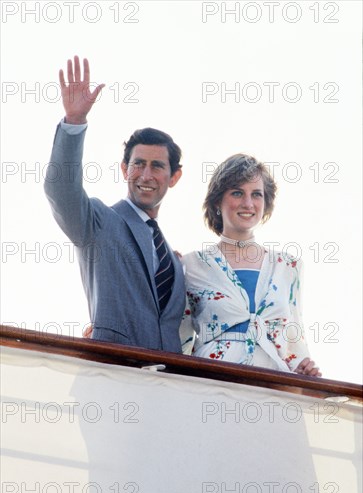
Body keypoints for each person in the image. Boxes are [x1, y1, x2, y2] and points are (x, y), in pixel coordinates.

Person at [44, 56, 185, 352]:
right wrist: (74, 122)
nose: (146, 175)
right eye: (138, 164)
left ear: (174, 177)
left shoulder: (173, 260)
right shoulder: (98, 222)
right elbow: (61, 191)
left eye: (157, 166)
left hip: (168, 387)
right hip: (112, 377)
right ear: (124, 169)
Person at [180, 153, 322, 376]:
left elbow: (295, 344)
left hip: (274, 388)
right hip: (210, 386)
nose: (248, 203)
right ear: (217, 201)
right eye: (237, 192)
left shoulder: (288, 266)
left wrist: (303, 370)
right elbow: (180, 340)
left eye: (256, 194)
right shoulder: (191, 265)